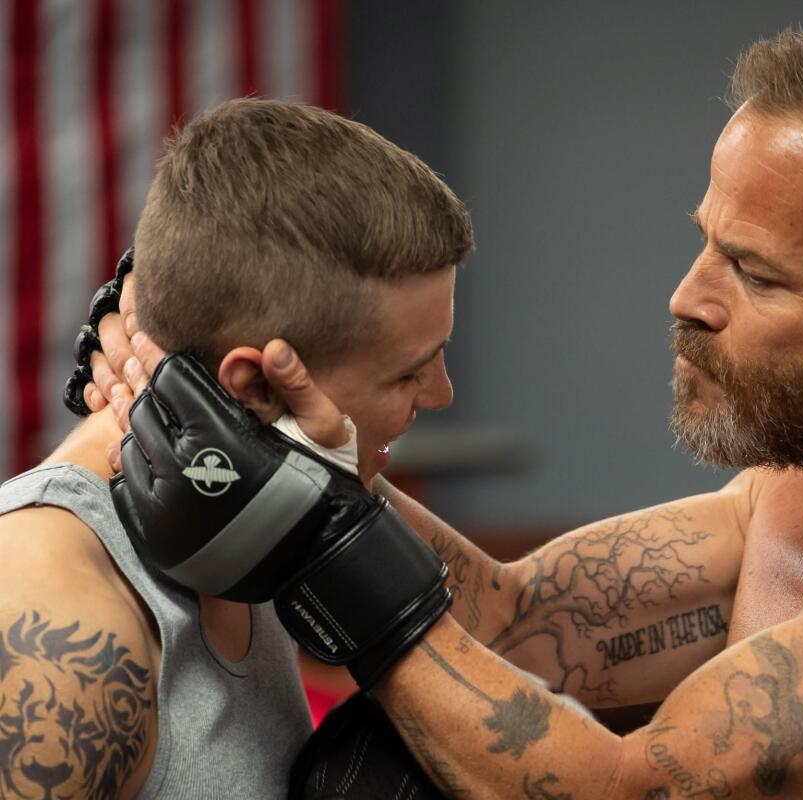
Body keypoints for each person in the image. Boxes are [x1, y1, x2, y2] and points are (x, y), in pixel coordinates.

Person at [101, 22, 803, 798]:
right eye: (707, 238)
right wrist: (288, 445)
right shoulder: (794, 497)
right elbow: (516, 624)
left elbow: (622, 789)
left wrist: (315, 524)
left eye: (755, 272)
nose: (688, 296)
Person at [0, 98, 474, 798]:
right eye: (406, 371)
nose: (440, 395)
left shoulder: (254, 519)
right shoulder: (59, 628)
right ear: (254, 383)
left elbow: (524, 607)